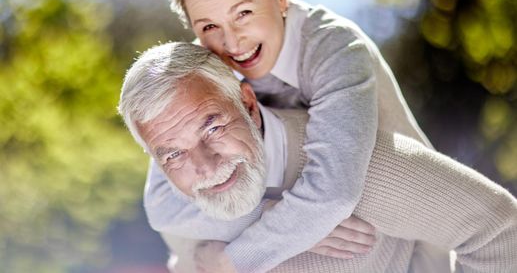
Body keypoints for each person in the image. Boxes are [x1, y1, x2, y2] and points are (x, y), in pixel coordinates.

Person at [146, 0, 445, 272]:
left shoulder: (336, 48)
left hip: (410, 242)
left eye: (243, 13)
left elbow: (332, 194)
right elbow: (163, 208)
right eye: (209, 27)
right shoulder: (200, 77)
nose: (232, 42)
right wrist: (269, 216)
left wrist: (231, 258)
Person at [118, 42, 517, 273]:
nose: (205, 167)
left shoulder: (356, 163)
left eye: (212, 128)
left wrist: (303, 217)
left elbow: (499, 232)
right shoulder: (183, 199)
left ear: (247, 103)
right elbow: (189, 262)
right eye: (172, 153)